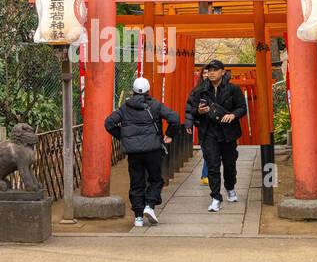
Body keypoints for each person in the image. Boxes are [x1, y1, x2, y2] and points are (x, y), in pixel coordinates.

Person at [105, 76, 181, 228]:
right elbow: (174, 118)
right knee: (155, 179)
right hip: (153, 149)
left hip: (134, 153)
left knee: (136, 182)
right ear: (148, 90)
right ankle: (150, 205)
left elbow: (109, 123)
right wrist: (169, 135)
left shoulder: (125, 108)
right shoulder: (155, 105)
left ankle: (138, 217)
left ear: (133, 91)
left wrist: (124, 136)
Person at [184, 59, 247, 211]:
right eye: (209, 70)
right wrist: (198, 112)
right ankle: (215, 197)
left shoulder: (233, 89)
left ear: (223, 72)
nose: (211, 73)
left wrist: (233, 115)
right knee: (212, 165)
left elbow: (242, 107)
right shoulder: (199, 90)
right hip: (208, 132)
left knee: (230, 164)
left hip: (228, 133)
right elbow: (190, 109)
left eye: (215, 70)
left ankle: (230, 187)